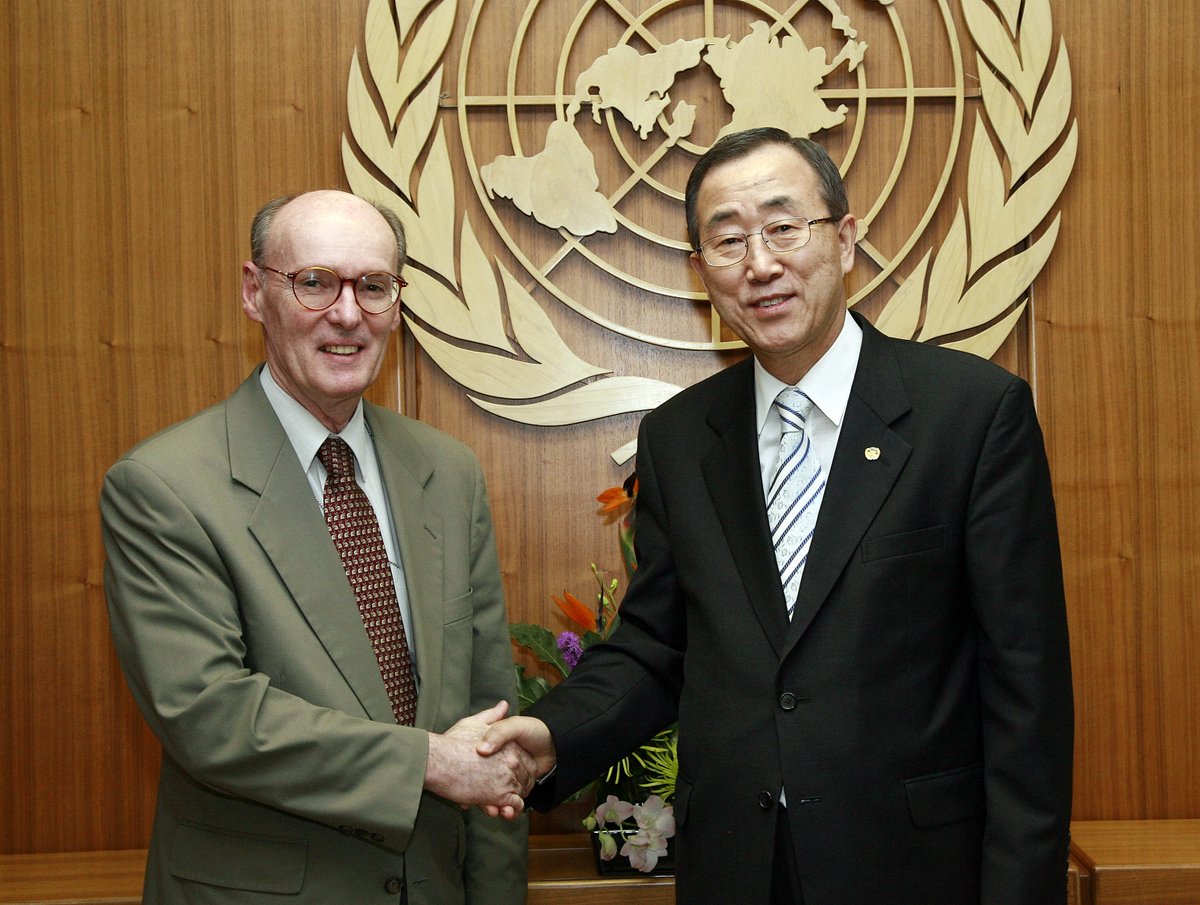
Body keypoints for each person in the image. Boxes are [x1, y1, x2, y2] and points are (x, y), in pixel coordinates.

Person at [481, 128, 1074, 904]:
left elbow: (1027, 692)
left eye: (784, 227)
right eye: (728, 240)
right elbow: (657, 645)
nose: (759, 264)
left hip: (915, 870)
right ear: (702, 272)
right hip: (736, 868)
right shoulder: (680, 438)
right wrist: (550, 736)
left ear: (845, 239)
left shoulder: (972, 414)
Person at [101, 190, 530, 904]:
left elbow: (490, 726)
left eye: (373, 286)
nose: (347, 313)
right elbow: (211, 717)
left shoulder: (448, 472)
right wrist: (426, 762)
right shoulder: (163, 486)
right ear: (254, 292)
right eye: (315, 282)